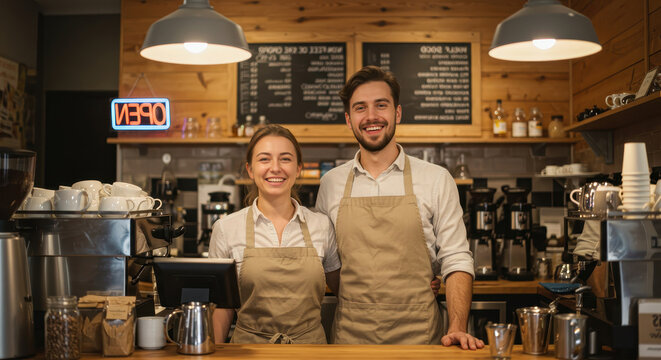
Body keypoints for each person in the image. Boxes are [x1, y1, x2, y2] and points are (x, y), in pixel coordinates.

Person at [316, 65, 483, 349]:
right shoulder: (331, 183)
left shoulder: (436, 179)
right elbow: (328, 262)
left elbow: (456, 259)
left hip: (420, 338)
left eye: (381, 105)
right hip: (351, 339)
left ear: (397, 113)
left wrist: (456, 327)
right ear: (348, 119)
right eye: (360, 108)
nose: (371, 117)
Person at [209, 124, 341, 344]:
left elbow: (341, 291)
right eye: (264, 159)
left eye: (285, 159)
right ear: (250, 169)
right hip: (248, 353)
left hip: (310, 352)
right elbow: (222, 306)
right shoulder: (226, 229)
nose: (275, 168)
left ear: (298, 168)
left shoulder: (322, 225)